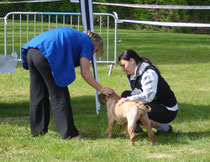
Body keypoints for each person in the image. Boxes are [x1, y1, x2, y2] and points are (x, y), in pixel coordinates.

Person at [21, 27, 114, 139]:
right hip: (47, 54)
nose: (93, 54)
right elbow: (85, 73)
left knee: (38, 93)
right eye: (96, 50)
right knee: (60, 95)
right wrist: (101, 89)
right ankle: (69, 134)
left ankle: (37, 131)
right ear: (95, 44)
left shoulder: (78, 37)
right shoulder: (88, 43)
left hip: (32, 52)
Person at [118, 49, 178, 134]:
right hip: (154, 104)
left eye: (123, 65)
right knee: (125, 95)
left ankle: (163, 127)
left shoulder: (149, 73)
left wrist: (129, 99)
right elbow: (136, 92)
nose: (123, 69)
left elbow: (148, 96)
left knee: (135, 107)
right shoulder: (131, 74)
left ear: (131, 61)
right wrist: (127, 99)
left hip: (167, 109)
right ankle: (136, 126)